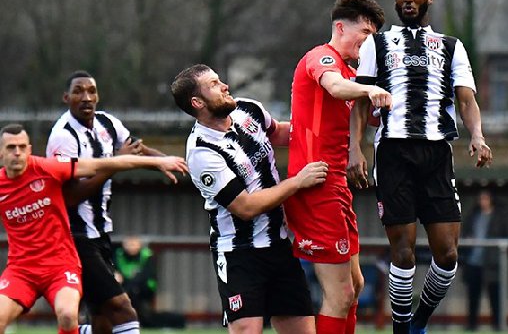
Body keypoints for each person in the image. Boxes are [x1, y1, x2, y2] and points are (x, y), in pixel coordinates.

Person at [347, 0, 493, 334]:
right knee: (404, 252)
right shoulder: (375, 45)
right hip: (394, 152)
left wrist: (477, 134)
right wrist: (356, 149)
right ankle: (401, 329)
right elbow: (361, 102)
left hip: (437, 153)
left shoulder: (450, 46)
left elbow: (466, 100)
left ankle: (418, 321)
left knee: (447, 255)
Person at [170, 64, 328, 334]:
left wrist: (326, 129)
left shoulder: (247, 109)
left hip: (279, 245)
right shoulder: (201, 151)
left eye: (220, 80)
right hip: (239, 254)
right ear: (197, 102)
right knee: (247, 329)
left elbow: (279, 132)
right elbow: (245, 207)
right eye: (214, 85)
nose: (225, 86)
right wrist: (297, 182)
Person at [0, 123, 187, 334]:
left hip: (60, 266)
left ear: (30, 149)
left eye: (22, 147)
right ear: (1, 152)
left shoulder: (48, 168)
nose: (17, 152)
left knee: (69, 315)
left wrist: (157, 161)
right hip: (22, 269)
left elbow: (101, 165)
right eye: (11, 147)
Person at [285, 0, 391, 334]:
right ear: (341, 27)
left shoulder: (353, 72)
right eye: (366, 34)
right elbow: (334, 87)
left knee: (356, 286)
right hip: (315, 185)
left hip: (337, 187)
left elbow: (363, 113)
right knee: (341, 293)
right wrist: (367, 91)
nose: (369, 42)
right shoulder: (322, 58)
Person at [46, 70, 166, 334]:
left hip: (100, 233)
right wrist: (115, 164)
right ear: (66, 98)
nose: (86, 97)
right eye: (78, 91)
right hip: (74, 236)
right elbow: (69, 197)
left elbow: (138, 150)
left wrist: (167, 162)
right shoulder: (63, 137)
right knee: (124, 309)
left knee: (103, 322)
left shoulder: (108, 124)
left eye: (92, 91)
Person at [462, 189, 508, 331]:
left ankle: (498, 325)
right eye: (481, 199)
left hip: (492, 264)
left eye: (485, 199)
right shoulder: (473, 216)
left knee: (495, 297)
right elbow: (464, 232)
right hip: (473, 262)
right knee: (473, 297)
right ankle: (471, 326)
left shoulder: (500, 216)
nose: (482, 202)